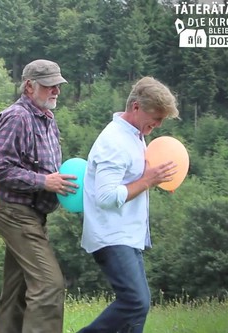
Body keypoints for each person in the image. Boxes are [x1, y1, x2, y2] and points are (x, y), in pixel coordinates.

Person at [79, 77, 178, 333]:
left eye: (161, 120)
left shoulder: (134, 135)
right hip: (112, 235)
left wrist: (153, 176)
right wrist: (147, 180)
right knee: (136, 302)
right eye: (155, 118)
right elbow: (105, 196)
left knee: (137, 310)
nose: (157, 125)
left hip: (128, 235)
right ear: (136, 107)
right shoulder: (114, 141)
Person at [0, 59, 77, 333]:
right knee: (49, 284)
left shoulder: (47, 118)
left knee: (17, 290)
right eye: (50, 86)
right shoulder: (17, 117)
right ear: (29, 86)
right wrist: (44, 181)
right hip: (16, 212)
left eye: (58, 86)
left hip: (33, 214)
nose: (56, 92)